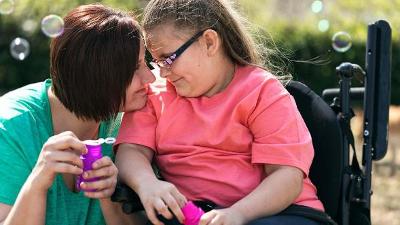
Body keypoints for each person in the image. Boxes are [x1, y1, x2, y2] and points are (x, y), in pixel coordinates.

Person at [115, 0, 325, 225]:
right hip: (195, 216)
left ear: (209, 42)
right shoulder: (156, 93)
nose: (163, 73)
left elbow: (287, 177)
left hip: (280, 214)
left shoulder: (262, 92)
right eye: (157, 62)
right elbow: (131, 150)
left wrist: (238, 214)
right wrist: (147, 183)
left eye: (169, 59)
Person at [0, 3, 155, 225]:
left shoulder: (130, 122)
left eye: (145, 64)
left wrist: (110, 196)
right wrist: (37, 183)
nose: (150, 79)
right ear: (96, 76)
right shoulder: (11, 127)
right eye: (133, 69)